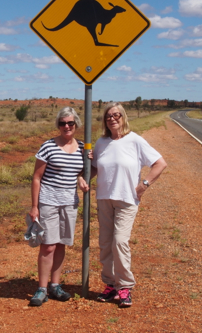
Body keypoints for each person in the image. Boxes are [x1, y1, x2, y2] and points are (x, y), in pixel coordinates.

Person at [88, 102, 167, 308]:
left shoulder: (135, 140)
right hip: (105, 198)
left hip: (127, 200)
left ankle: (125, 286)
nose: (112, 119)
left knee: (120, 241)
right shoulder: (101, 142)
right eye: (108, 116)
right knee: (105, 243)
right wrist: (85, 171)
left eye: (116, 115)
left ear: (123, 117)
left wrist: (144, 184)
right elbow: (95, 168)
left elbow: (160, 163)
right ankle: (110, 284)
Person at [28, 107, 87, 306]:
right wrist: (35, 206)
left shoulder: (82, 148)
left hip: (70, 203)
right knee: (48, 245)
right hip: (48, 202)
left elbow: (87, 171)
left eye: (70, 123)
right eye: (62, 123)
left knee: (61, 243)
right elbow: (37, 177)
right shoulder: (48, 146)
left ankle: (55, 286)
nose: (67, 126)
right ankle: (41, 288)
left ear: (76, 124)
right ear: (58, 125)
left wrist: (81, 177)